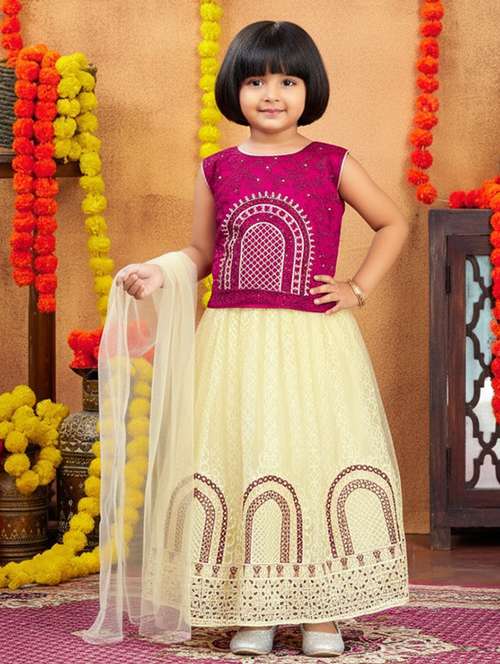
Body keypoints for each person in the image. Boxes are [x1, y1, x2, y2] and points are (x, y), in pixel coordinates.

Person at [82, 20, 411, 658]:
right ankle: (252, 607)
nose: (272, 95)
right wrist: (161, 271)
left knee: (311, 456)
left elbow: (392, 222)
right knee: (240, 456)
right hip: (234, 339)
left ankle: (321, 614)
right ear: (234, 89)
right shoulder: (218, 169)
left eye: (287, 82)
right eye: (256, 81)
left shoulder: (333, 162)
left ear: (309, 90)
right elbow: (201, 251)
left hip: (313, 342)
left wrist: (358, 288)